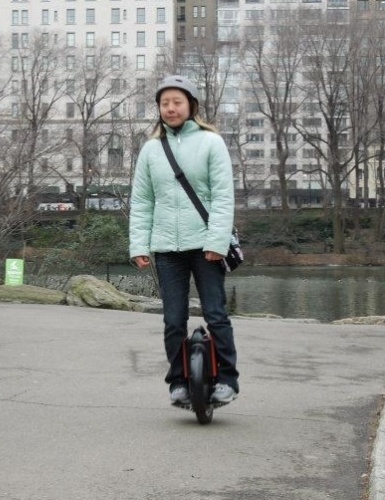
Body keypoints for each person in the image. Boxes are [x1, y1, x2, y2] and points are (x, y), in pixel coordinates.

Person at [129, 75, 240, 405]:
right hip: (166, 248)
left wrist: (217, 242)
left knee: (216, 314)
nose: (170, 108)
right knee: (173, 319)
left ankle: (229, 381)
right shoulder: (151, 150)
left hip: (206, 246)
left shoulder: (211, 142)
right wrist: (139, 245)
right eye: (165, 103)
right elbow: (142, 201)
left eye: (177, 102)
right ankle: (178, 381)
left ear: (191, 105)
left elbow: (223, 196)